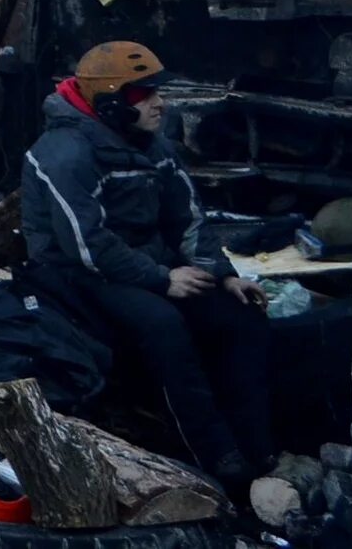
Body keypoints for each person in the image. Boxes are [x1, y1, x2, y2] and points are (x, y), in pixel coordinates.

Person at [21, 42, 274, 493]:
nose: (160, 103)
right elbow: (88, 245)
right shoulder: (63, 154)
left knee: (239, 316)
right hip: (78, 274)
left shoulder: (153, 146)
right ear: (113, 102)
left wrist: (224, 274)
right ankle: (215, 454)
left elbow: (187, 218)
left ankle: (260, 445)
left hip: (147, 265)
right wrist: (162, 279)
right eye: (144, 94)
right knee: (162, 324)